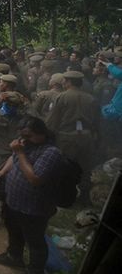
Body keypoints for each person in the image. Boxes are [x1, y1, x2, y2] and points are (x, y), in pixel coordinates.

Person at [0, 117, 63, 274]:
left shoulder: (51, 152)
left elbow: (35, 178)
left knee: (35, 242)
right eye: (22, 136)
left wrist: (20, 152)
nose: (24, 140)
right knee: (13, 230)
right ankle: (14, 255)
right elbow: (13, 159)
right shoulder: (25, 144)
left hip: (34, 208)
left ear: (41, 134)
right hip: (14, 201)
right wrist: (1, 172)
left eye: (29, 136)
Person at [46, 70, 99, 204]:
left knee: (65, 167)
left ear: (68, 82)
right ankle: (85, 195)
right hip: (86, 137)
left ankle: (65, 196)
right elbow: (96, 121)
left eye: (65, 80)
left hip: (66, 137)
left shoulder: (62, 97)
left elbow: (53, 121)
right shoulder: (90, 98)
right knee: (85, 167)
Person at [0, 76, 26, 233]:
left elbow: (37, 121)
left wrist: (26, 104)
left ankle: (7, 211)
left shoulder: (22, 114)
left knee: (13, 185)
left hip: (17, 152)